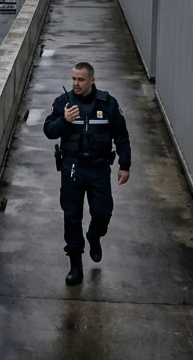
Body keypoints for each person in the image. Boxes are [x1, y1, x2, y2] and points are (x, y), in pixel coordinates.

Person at [43, 61, 131, 286]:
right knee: (71, 216)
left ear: (92, 80)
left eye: (81, 79)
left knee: (103, 212)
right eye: (73, 79)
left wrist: (125, 165)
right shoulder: (64, 102)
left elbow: (121, 135)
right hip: (72, 167)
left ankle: (94, 235)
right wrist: (65, 120)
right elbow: (49, 131)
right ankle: (75, 265)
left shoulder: (108, 104)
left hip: (98, 168)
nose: (76, 83)